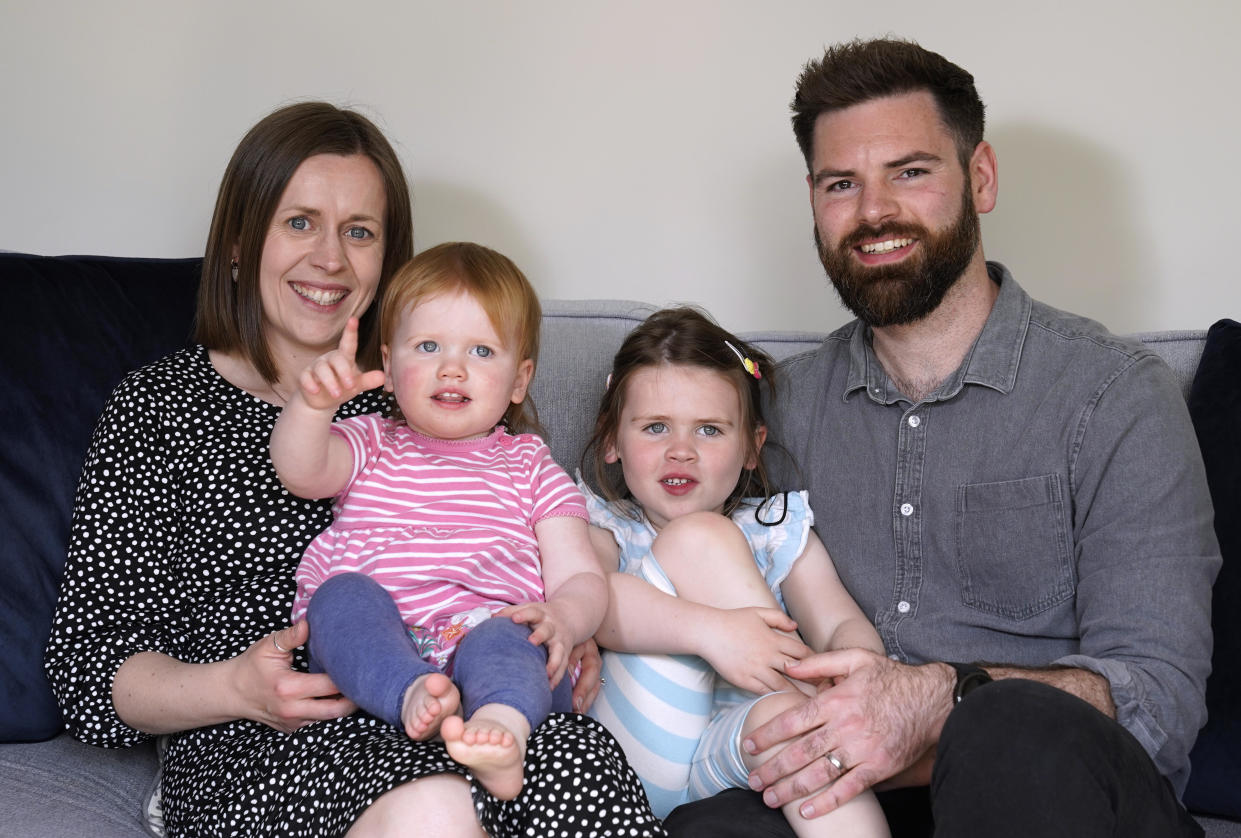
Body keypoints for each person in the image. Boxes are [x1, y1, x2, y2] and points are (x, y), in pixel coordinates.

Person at [44, 102, 664, 838]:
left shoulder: (438, 395)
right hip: (267, 742)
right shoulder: (159, 407)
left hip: (470, 699)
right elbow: (88, 666)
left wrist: (563, 620)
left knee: (581, 769)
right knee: (435, 807)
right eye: (299, 222)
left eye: (359, 233)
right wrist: (234, 688)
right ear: (240, 243)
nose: (331, 259)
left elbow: (552, 524)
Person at [663, 39, 1220, 838]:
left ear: (980, 177)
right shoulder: (772, 412)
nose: (872, 211)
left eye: (909, 172)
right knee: (712, 827)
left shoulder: (1113, 397)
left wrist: (936, 699)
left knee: (1006, 726)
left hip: (1053, 799)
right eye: (840, 184)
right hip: (847, 803)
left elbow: (1158, 702)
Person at [270, 242, 608, 802]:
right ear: (389, 362)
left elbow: (581, 575)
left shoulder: (529, 465)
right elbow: (301, 472)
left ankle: (502, 730)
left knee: (515, 633)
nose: (452, 367)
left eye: (480, 350)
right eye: (427, 346)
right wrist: (313, 407)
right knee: (340, 596)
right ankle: (411, 696)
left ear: (520, 380)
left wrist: (568, 619)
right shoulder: (371, 440)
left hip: (490, 634)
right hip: (381, 644)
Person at [581, 307, 889, 837]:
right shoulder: (603, 524)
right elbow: (593, 608)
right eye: (655, 427)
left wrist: (861, 679)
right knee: (698, 537)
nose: (681, 450)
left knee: (798, 735)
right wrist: (714, 631)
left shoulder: (776, 529)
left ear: (751, 446)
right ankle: (817, 711)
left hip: (732, 749)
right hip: (631, 761)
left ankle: (822, 727)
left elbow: (838, 623)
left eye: (709, 429)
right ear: (611, 440)